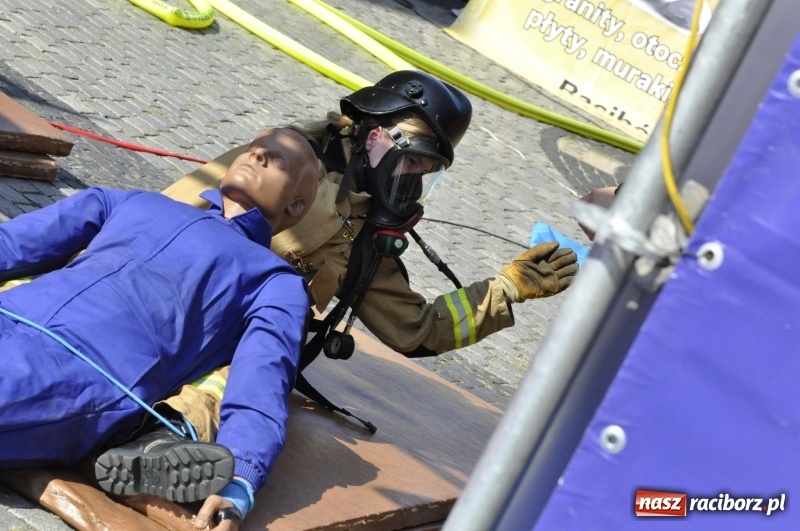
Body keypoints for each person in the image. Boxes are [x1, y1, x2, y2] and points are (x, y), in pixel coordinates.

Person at [99, 71, 579, 529]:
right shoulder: (281, 162)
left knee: (253, 370)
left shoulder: (365, 223)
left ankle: (159, 444)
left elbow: (415, 329)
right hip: (160, 297)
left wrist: (506, 288)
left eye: (426, 170)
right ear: (377, 135)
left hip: (232, 340)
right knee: (253, 361)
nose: (413, 180)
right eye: (412, 160)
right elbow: (160, 215)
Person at [0, 128, 318, 529]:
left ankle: (156, 442)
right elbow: (18, 241)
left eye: (275, 161)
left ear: (296, 204)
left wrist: (241, 477)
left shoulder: (273, 281)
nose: (256, 156)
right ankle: (142, 449)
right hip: (13, 311)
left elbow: (262, 379)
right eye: (254, 149)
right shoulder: (135, 202)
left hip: (79, 372)